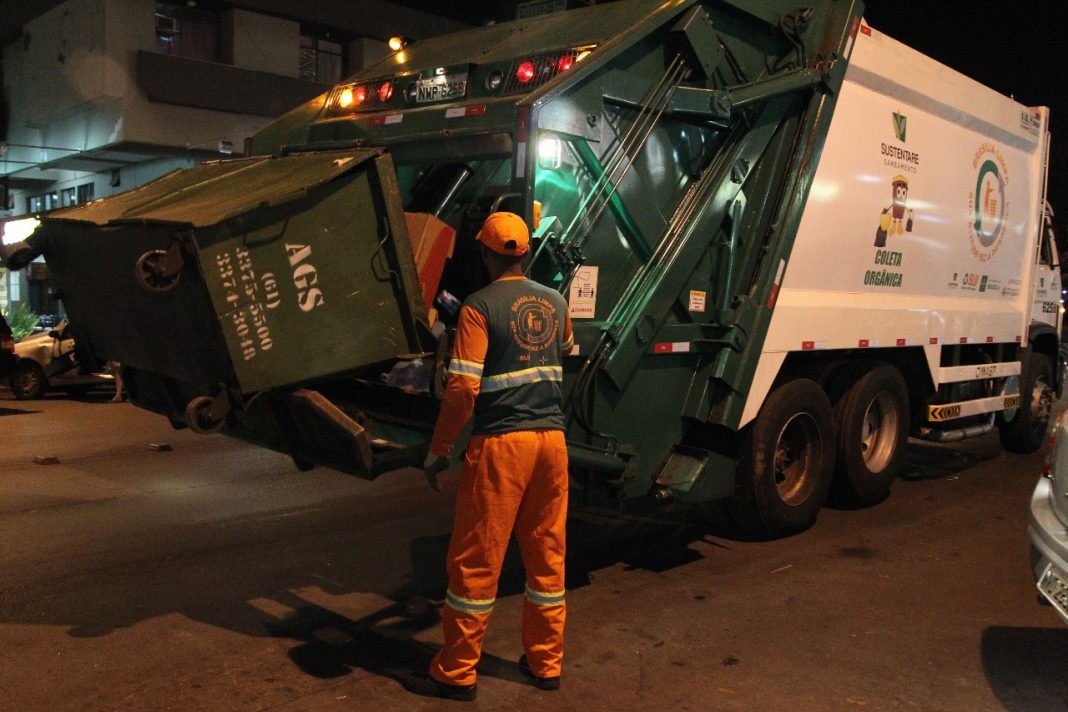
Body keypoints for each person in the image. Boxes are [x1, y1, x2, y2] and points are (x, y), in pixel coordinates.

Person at [422, 211, 573, 702]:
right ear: (525, 252)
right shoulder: (554, 301)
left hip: (502, 446)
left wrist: (441, 445)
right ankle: (546, 663)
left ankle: (458, 670)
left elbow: (464, 387)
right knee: (547, 556)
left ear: (486, 254)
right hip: (551, 444)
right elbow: (568, 349)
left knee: (478, 559)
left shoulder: (478, 306)